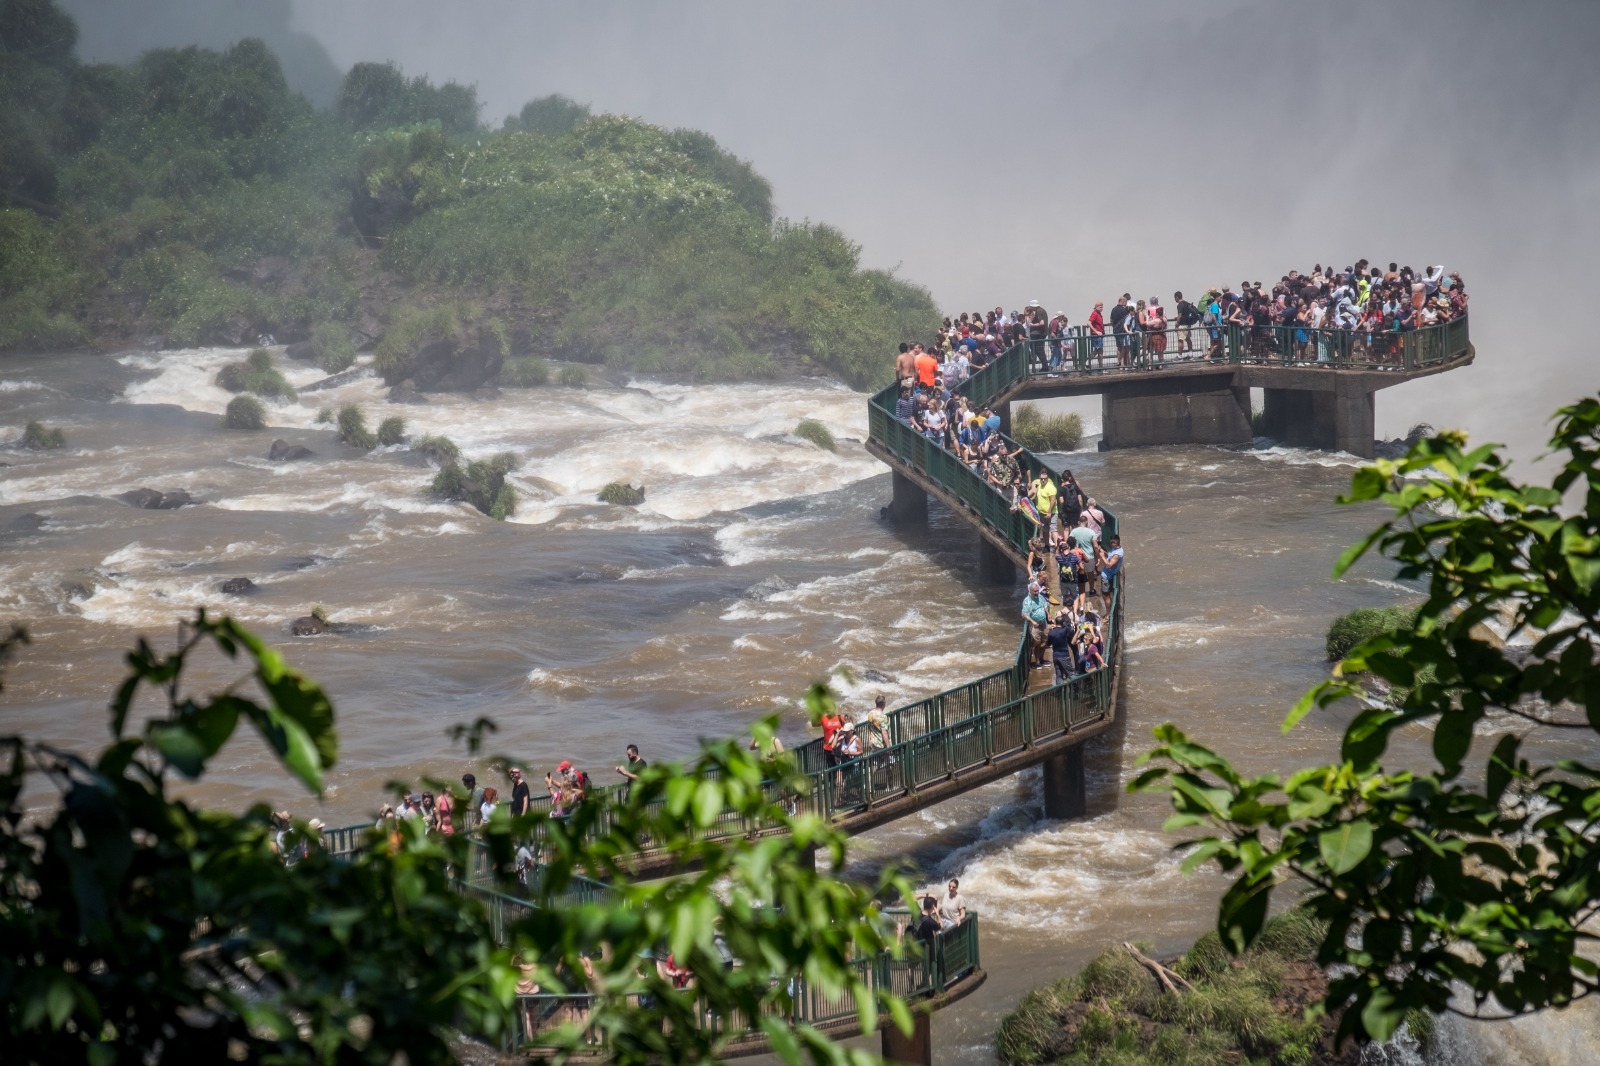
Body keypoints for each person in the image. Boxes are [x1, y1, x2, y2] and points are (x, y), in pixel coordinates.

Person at [1021, 582, 1050, 668]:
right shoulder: (1027, 601)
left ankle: (1041, 659)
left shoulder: (1040, 596)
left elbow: (1045, 605)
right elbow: (1024, 614)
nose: (1037, 593)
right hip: (1035, 626)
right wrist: (1033, 621)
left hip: (1044, 623)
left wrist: (1048, 614)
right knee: (1037, 643)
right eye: (1035, 591)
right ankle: (1037, 661)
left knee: (1044, 642)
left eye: (1037, 591)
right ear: (1030, 591)